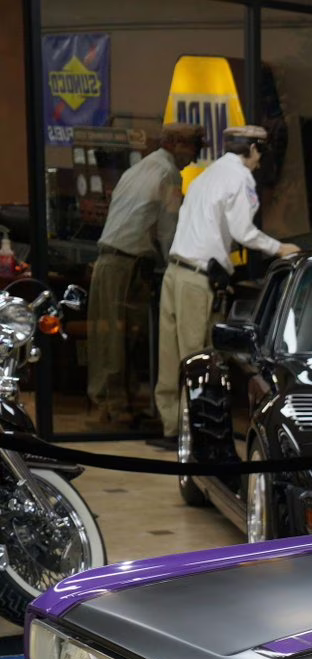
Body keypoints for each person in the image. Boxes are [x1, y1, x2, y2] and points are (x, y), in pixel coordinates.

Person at [154, 124, 298, 448]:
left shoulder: (209, 174)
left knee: (169, 355)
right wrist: (280, 248)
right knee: (196, 359)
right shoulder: (240, 178)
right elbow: (244, 231)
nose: (260, 162)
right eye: (261, 153)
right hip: (195, 279)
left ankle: (170, 428)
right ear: (253, 150)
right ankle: (193, 436)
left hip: (175, 271)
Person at [87, 122, 201, 430]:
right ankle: (115, 409)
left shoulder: (138, 169)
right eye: (194, 148)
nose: (194, 158)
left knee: (110, 336)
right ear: (178, 144)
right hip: (127, 262)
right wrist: (180, 264)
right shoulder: (167, 175)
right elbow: (168, 230)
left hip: (111, 259)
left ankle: (112, 404)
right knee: (119, 338)